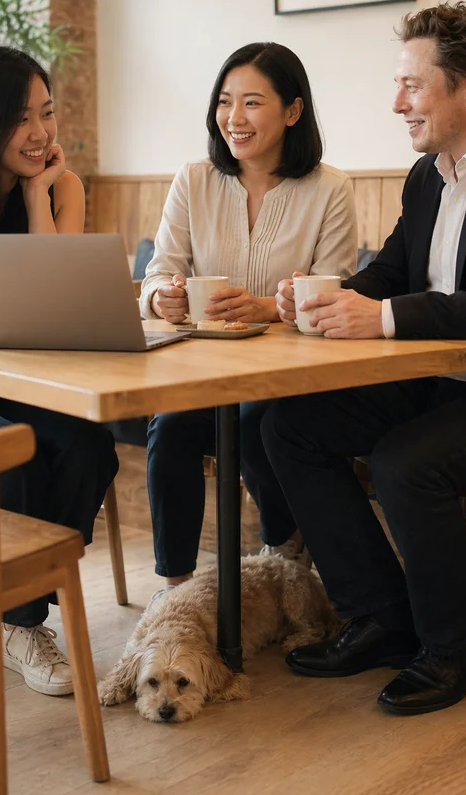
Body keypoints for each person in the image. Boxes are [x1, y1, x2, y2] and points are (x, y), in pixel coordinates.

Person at [259, 1, 466, 716]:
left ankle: (460, 645)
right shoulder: (427, 175)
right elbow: (394, 272)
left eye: (412, 83)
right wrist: (324, 298)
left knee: (408, 463)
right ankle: (381, 614)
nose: (396, 102)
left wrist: (379, 317)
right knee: (291, 425)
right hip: (440, 380)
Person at [0, 45, 118, 695]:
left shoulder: (61, 187)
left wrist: (38, 196)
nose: (40, 134)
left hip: (17, 376)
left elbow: (51, 296)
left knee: (89, 444)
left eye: (47, 113)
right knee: (7, 454)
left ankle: (12, 615)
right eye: (20, 118)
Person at [139, 42, 357, 586]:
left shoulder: (330, 189)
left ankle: (283, 552)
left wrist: (266, 308)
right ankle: (175, 587)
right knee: (169, 427)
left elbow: (339, 294)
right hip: (204, 374)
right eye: (224, 101)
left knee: (260, 419)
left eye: (252, 103)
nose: (233, 118)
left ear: (292, 111)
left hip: (290, 380)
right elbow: (159, 271)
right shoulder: (193, 180)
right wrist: (162, 295)